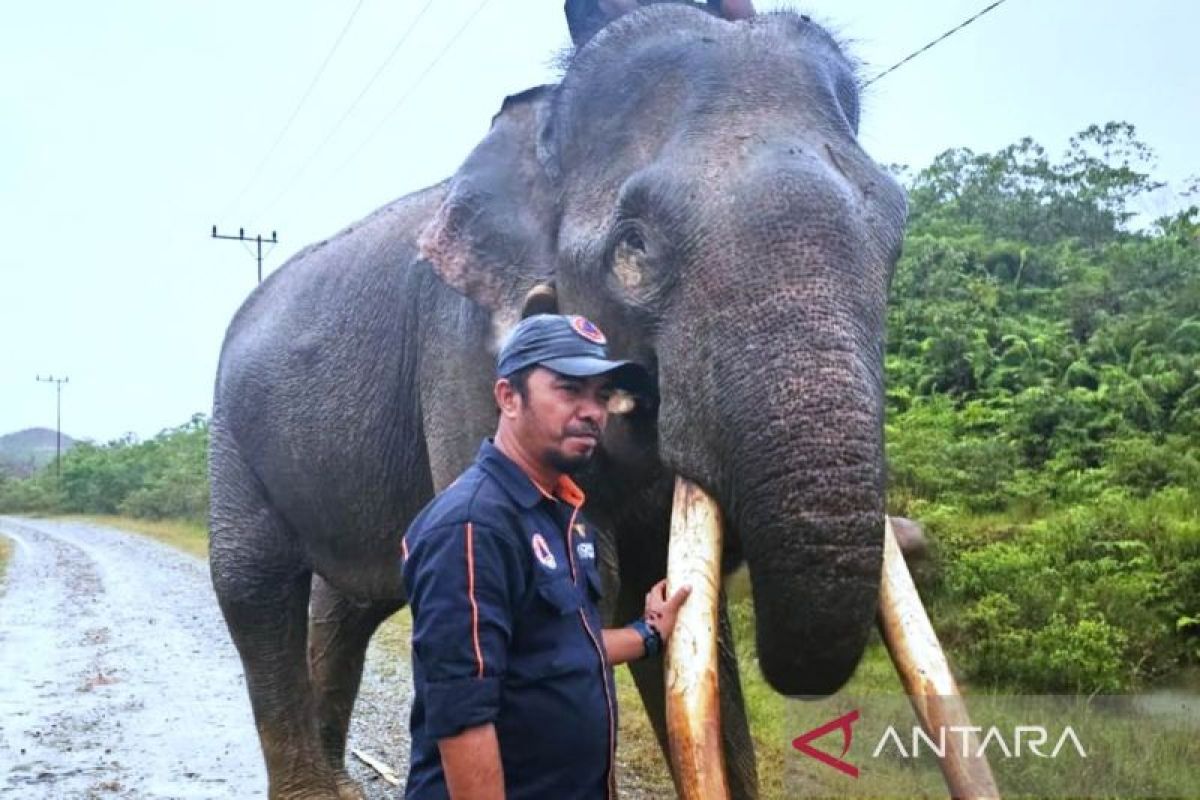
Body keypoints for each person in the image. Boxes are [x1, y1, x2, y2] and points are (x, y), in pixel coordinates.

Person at [401, 313, 691, 800]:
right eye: (569, 389)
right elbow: (464, 720)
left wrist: (647, 634)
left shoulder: (563, 514)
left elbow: (561, 647)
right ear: (508, 397)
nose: (593, 411)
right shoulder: (472, 527)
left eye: (601, 396)